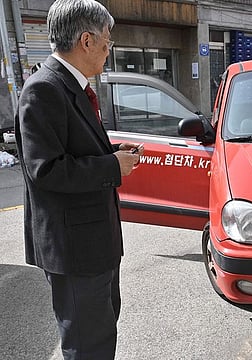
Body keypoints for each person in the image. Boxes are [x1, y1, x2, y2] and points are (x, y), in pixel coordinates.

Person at [14, 1, 143, 358]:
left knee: (101, 334)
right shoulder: (44, 90)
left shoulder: (72, 86)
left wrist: (114, 151)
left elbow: (76, 147)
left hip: (94, 244)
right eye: (107, 40)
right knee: (88, 346)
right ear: (86, 40)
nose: (108, 48)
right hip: (74, 250)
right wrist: (111, 167)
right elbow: (47, 169)